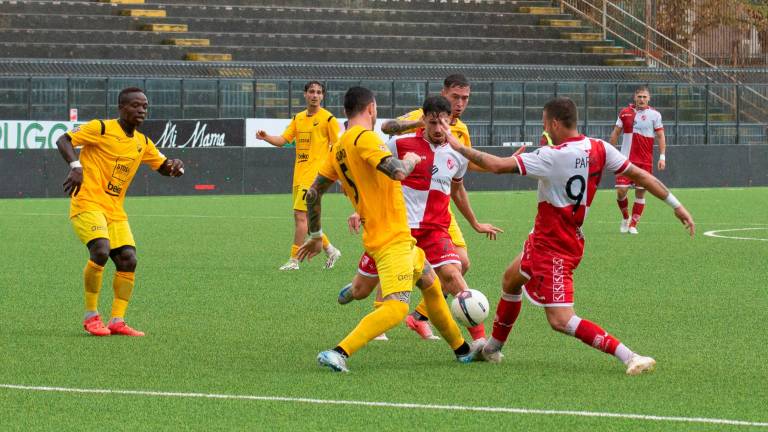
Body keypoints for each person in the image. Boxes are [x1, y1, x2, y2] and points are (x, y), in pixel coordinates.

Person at [443, 97, 695, 375]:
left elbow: (497, 165)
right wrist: (677, 205)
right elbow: (641, 176)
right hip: (547, 239)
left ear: (552, 123)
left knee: (561, 320)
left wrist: (458, 146)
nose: (544, 129)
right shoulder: (600, 148)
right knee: (511, 279)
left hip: (555, 248)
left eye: (544, 123)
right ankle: (492, 348)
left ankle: (630, 356)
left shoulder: (550, 156)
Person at [296, 87, 480, 372]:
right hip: (391, 238)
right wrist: (411, 161)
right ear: (371, 107)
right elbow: (398, 171)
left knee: (431, 286)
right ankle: (338, 352)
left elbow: (312, 194)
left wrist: (316, 235)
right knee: (396, 307)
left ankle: (463, 349)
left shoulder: (340, 146)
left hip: (394, 237)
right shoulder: (366, 139)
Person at [339, 96, 502, 344]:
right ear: (423, 120)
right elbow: (373, 176)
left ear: (450, 123)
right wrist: (359, 210)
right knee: (362, 290)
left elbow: (457, 190)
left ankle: (480, 342)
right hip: (398, 228)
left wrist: (475, 223)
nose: (438, 129)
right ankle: (354, 290)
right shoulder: (400, 144)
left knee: (453, 273)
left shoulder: (457, 155)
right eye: (433, 122)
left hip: (435, 230)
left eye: (443, 123)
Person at [56, 87, 185, 337]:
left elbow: (163, 166)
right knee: (101, 250)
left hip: (114, 211)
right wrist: (76, 166)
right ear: (121, 108)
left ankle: (117, 320)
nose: (141, 110)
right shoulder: (101, 128)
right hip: (87, 203)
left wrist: (175, 166)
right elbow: (63, 140)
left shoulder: (142, 142)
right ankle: (91, 316)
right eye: (136, 105)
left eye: (145, 106)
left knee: (128, 259)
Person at [380, 73, 493, 338]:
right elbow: (386, 133)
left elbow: (461, 170)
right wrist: (421, 121)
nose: (460, 103)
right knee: (391, 269)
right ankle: (383, 314)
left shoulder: (460, 133)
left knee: (460, 264)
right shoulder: (419, 117)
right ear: (444, 94)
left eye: (465, 98)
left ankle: (423, 316)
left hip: (439, 208)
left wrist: (499, 164)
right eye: (456, 97)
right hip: (409, 203)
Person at [256, 80, 342, 270]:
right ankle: (331, 250)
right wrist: (266, 137)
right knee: (308, 219)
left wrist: (336, 172)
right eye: (311, 91)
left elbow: (339, 146)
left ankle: (294, 260)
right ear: (305, 94)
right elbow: (283, 140)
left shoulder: (328, 119)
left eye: (319, 92)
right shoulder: (298, 118)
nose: (315, 95)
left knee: (300, 216)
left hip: (315, 176)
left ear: (322, 96)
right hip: (300, 175)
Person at [609, 86, 667, 234]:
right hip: (625, 160)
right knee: (621, 191)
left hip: (645, 161)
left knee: (640, 193)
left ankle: (633, 224)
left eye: (644, 97)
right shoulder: (625, 113)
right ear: (635, 98)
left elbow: (660, 136)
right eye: (639, 96)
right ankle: (625, 217)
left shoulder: (655, 115)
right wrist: (610, 153)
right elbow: (615, 133)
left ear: (649, 98)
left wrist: (662, 156)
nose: (642, 99)